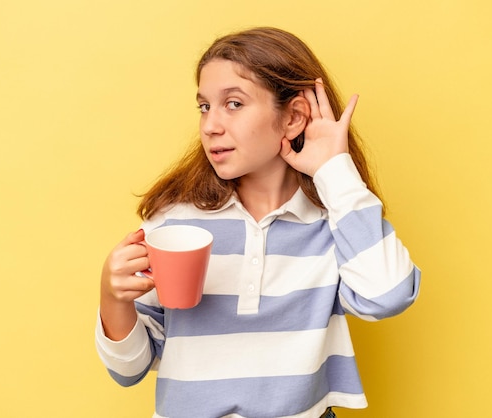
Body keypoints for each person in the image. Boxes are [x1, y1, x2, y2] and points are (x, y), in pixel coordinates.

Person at [95, 27, 421, 418]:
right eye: (204, 106)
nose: (211, 125)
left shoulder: (334, 224)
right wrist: (112, 297)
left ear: (294, 117)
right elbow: (128, 369)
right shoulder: (175, 225)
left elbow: (388, 295)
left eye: (233, 104)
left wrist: (334, 171)